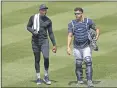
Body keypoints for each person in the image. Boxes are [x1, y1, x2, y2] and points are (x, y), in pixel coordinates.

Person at [67, 7, 100, 87]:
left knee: (88, 61)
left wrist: (97, 36)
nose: (76, 15)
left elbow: (97, 29)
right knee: (78, 63)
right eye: (75, 14)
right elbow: (70, 35)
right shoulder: (72, 23)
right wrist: (68, 47)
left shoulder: (88, 21)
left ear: (82, 13)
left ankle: (89, 81)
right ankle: (79, 80)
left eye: (78, 13)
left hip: (86, 46)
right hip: (77, 47)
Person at [27, 4, 57, 85]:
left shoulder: (48, 21)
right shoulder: (33, 17)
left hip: (44, 41)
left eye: (45, 10)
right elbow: (28, 26)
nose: (44, 11)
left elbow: (50, 33)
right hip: (35, 41)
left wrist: (54, 44)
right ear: (39, 10)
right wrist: (33, 31)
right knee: (37, 59)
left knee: (46, 57)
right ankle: (38, 78)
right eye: (43, 10)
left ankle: (46, 76)